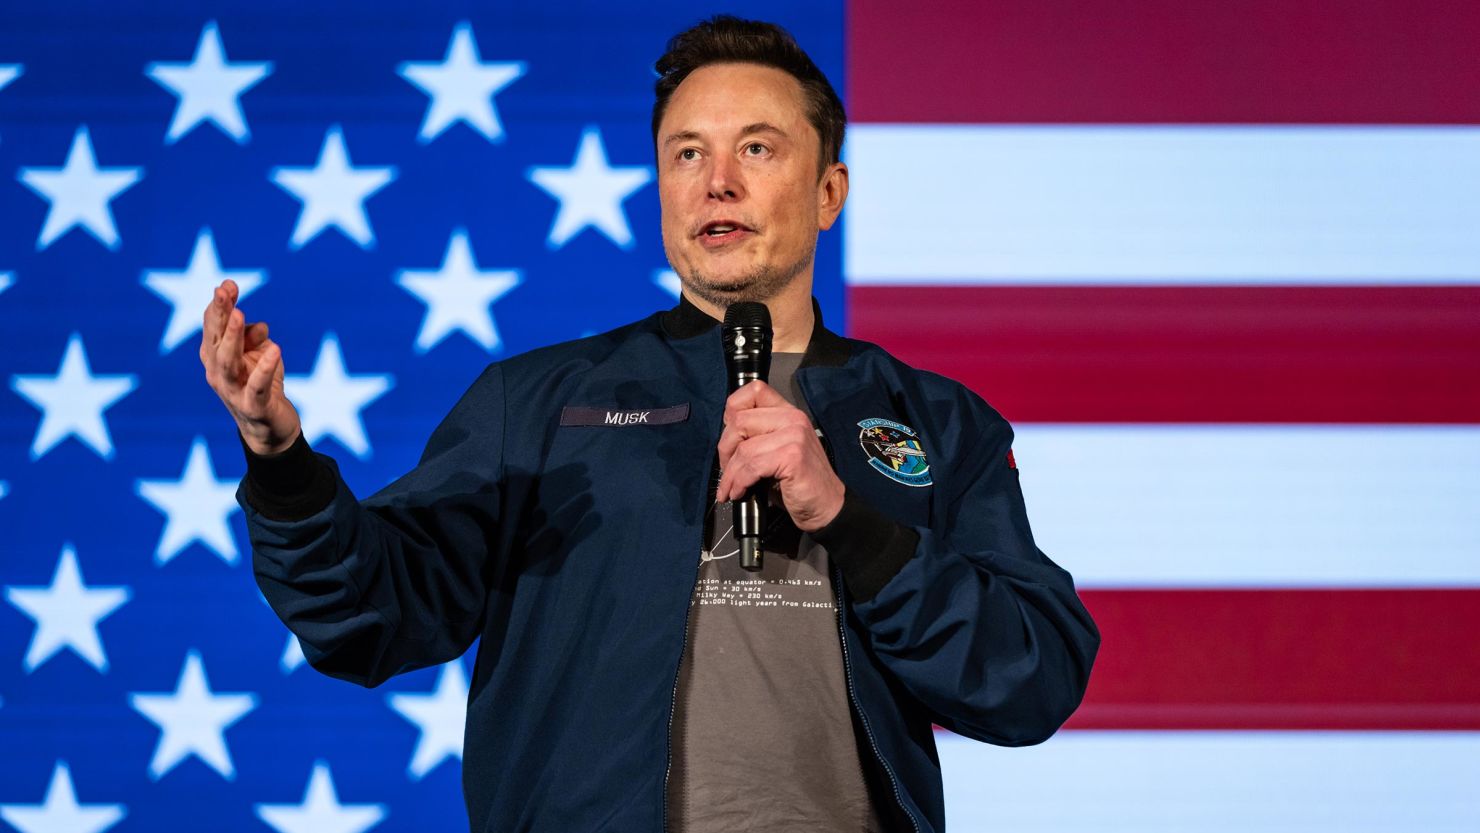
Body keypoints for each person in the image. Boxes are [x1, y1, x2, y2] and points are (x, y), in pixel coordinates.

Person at [200, 15, 1098, 833]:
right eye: (686, 154)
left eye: (757, 148)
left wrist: (850, 522)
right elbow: (367, 615)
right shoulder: (537, 403)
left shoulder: (935, 421)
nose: (718, 183)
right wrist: (281, 460)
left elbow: (1033, 679)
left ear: (829, 192)